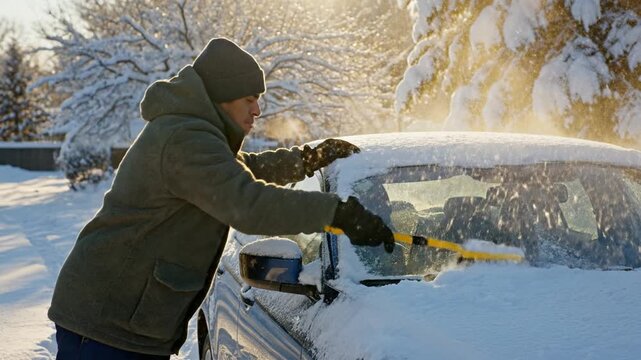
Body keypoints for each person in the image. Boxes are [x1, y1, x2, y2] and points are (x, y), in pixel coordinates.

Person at [49, 38, 395, 359]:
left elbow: (245, 169)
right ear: (223, 96)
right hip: (105, 323)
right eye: (249, 99)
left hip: (119, 318)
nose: (258, 110)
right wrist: (338, 214)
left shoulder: (195, 132)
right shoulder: (185, 138)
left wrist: (308, 160)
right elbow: (247, 204)